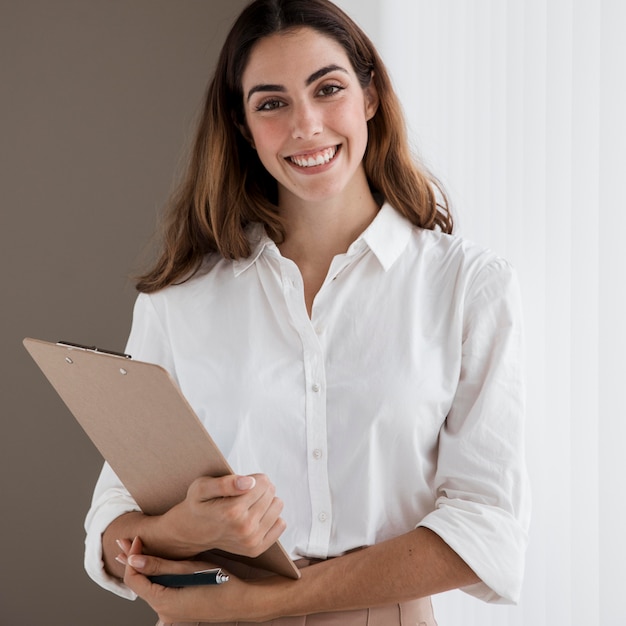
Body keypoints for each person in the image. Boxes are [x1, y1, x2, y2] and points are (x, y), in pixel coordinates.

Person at [84, 0, 530, 623]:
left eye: (328, 89)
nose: (307, 125)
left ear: (370, 95)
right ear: (242, 124)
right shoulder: (179, 297)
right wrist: (181, 531)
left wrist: (266, 600)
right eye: (271, 103)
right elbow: (111, 527)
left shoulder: (466, 286)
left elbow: (485, 526)